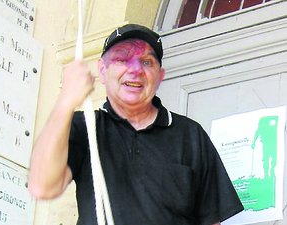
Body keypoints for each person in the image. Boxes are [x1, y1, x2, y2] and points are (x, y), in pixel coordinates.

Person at [28, 24, 244, 225]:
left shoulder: (190, 134)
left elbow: (211, 220)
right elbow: (42, 186)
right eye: (122, 59)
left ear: (160, 76)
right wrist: (66, 101)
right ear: (102, 71)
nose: (135, 69)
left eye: (147, 62)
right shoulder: (85, 127)